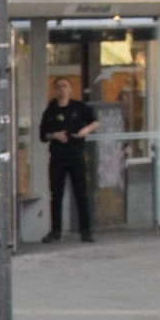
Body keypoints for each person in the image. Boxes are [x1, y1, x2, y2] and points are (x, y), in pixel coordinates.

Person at [39, 76, 99, 243]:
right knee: (56, 195)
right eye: (58, 86)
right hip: (58, 156)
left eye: (65, 86)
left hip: (76, 154)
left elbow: (95, 122)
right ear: (55, 90)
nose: (62, 89)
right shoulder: (50, 111)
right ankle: (56, 230)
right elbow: (43, 135)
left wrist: (84, 131)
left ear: (70, 90)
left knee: (81, 193)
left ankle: (85, 230)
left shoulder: (79, 108)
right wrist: (55, 135)